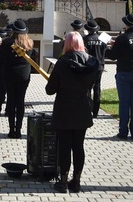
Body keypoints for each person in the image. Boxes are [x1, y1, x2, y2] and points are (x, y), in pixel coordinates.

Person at [45, 31, 98, 194]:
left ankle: (62, 181)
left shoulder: (62, 62)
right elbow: (93, 83)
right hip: (82, 108)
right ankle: (76, 180)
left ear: (67, 44)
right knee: (79, 146)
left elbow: (50, 90)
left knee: (64, 146)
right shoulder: (92, 62)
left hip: (64, 108)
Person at [105, 13, 133, 141]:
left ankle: (123, 132)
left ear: (127, 25)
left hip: (124, 72)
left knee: (124, 103)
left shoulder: (122, 38)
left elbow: (113, 55)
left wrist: (106, 47)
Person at [0, 19, 37, 138]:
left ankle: (11, 130)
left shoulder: (7, 42)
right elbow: (33, 55)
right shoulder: (30, 43)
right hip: (24, 76)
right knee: (20, 101)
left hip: (9, 75)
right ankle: (19, 130)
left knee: (11, 100)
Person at [82, 20, 107, 118]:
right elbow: (105, 52)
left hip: (88, 66)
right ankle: (96, 112)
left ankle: (87, 109)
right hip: (99, 66)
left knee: (87, 88)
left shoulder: (85, 39)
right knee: (97, 88)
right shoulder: (102, 40)